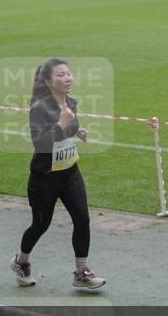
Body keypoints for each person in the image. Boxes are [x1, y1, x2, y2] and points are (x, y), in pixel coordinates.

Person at [12, 58, 105, 290]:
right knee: (41, 225)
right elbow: (40, 142)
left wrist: (78, 131)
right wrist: (62, 124)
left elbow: (70, 127)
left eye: (68, 73)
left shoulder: (71, 102)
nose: (67, 78)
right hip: (45, 177)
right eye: (60, 75)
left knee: (82, 219)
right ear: (47, 81)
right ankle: (21, 261)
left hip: (70, 172)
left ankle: (81, 272)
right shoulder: (39, 108)